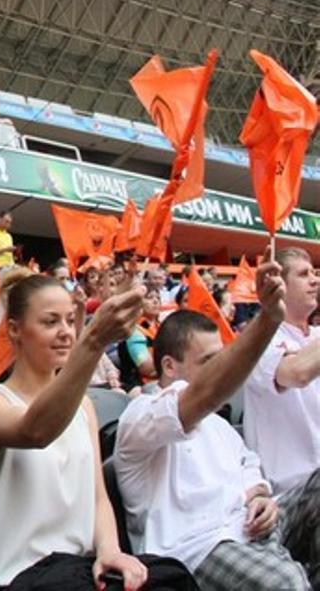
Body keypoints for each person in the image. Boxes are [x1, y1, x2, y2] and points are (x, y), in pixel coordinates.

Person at [0, 275, 192, 589]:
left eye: (70, 321)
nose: (65, 333)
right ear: (15, 329)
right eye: (50, 321)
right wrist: (95, 339)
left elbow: (98, 496)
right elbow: (34, 430)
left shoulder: (85, 406)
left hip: (81, 571)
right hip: (17, 577)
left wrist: (110, 551)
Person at [116, 262, 317, 591]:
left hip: (252, 524)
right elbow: (203, 396)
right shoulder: (140, 416)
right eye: (210, 362)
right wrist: (267, 319)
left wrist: (260, 496)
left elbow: (248, 463)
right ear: (169, 365)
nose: (224, 370)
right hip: (197, 547)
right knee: (287, 582)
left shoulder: (219, 425)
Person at [243, 247, 320, 495]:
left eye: (315, 273)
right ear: (280, 287)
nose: (315, 279)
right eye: (303, 274)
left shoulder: (316, 337)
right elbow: (297, 373)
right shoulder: (259, 339)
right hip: (292, 493)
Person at [117, 285, 161, 392]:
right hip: (139, 386)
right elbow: (147, 369)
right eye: (149, 298)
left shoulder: (162, 326)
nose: (155, 301)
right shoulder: (133, 330)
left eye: (158, 298)